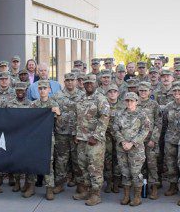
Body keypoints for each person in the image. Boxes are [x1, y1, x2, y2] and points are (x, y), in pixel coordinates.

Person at [73, 74, 110, 206]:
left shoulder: (101, 99)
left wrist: (96, 136)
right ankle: (87, 190)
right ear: (83, 84)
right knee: (83, 166)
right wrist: (76, 134)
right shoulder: (81, 98)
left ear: (96, 84)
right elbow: (77, 118)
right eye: (86, 82)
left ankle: (96, 194)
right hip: (82, 139)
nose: (89, 84)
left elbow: (105, 117)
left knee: (95, 167)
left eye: (91, 82)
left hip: (95, 140)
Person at [26, 80, 62, 200]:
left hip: (47, 137)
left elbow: (59, 125)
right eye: (40, 88)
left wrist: (58, 113)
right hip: (34, 137)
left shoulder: (54, 104)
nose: (42, 90)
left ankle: (49, 188)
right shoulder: (33, 105)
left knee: (48, 162)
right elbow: (27, 121)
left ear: (49, 90)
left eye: (44, 88)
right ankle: (31, 187)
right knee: (31, 160)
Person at [113, 92, 150, 207]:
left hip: (136, 149)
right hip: (122, 147)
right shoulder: (119, 114)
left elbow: (145, 130)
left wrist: (132, 143)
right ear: (124, 101)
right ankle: (126, 196)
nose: (129, 103)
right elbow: (115, 129)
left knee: (135, 172)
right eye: (127, 100)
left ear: (137, 102)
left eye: (132, 100)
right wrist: (123, 141)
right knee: (124, 172)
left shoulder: (142, 114)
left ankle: (137, 197)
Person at [54, 73, 82, 193]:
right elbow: (53, 112)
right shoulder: (57, 96)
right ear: (64, 82)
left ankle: (80, 183)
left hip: (77, 133)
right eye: (67, 80)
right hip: (62, 132)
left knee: (78, 159)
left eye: (72, 80)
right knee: (61, 159)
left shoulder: (82, 95)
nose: (70, 82)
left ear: (76, 81)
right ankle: (60, 183)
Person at [136, 82, 162, 199]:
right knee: (140, 165)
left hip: (150, 139)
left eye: (145, 91)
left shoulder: (154, 104)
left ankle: (154, 188)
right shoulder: (134, 103)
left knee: (152, 164)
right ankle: (141, 187)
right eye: (141, 90)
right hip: (138, 140)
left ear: (149, 92)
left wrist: (154, 139)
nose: (143, 93)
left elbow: (158, 123)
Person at [162, 82, 180, 197]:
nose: (177, 93)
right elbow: (164, 122)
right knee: (170, 164)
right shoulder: (168, 106)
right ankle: (173, 186)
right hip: (170, 139)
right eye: (174, 91)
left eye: (179, 90)